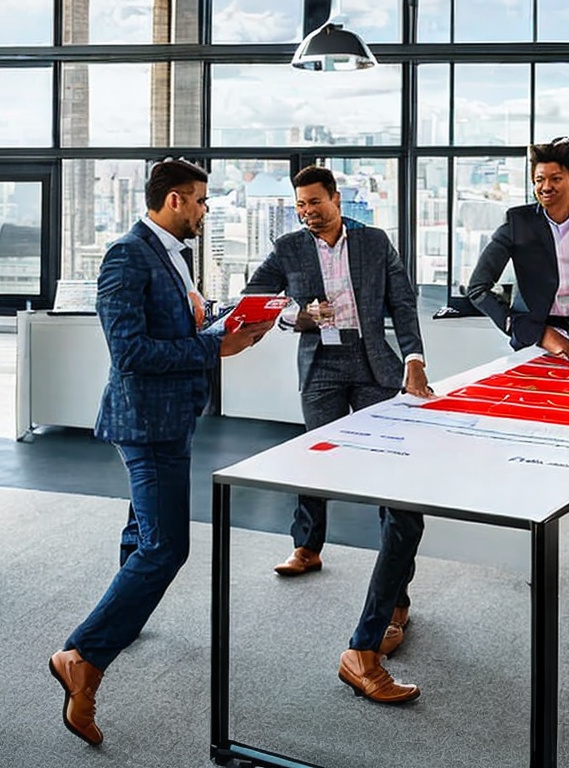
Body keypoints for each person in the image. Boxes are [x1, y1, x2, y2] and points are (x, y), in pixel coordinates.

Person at [48, 159, 273, 745]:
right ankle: (85, 656)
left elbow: (178, 330)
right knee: (166, 547)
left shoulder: (176, 255)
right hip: (146, 422)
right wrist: (212, 343)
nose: (205, 211)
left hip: (173, 415)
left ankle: (122, 622)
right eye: (200, 201)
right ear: (174, 200)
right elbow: (131, 354)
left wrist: (227, 327)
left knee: (142, 532)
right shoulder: (127, 255)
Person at [245, 164, 431, 704]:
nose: (307, 212)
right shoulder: (288, 248)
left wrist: (413, 359)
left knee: (391, 478)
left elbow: (403, 301)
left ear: (336, 198)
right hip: (321, 365)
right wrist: (296, 315)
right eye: (300, 205)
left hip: (374, 363)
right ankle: (307, 546)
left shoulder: (373, 242)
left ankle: (397, 598)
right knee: (316, 458)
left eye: (314, 203)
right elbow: (259, 299)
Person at [466, 137, 569, 362]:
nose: (545, 187)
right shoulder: (518, 222)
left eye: (555, 179)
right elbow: (477, 287)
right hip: (533, 340)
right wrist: (537, 333)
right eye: (539, 180)